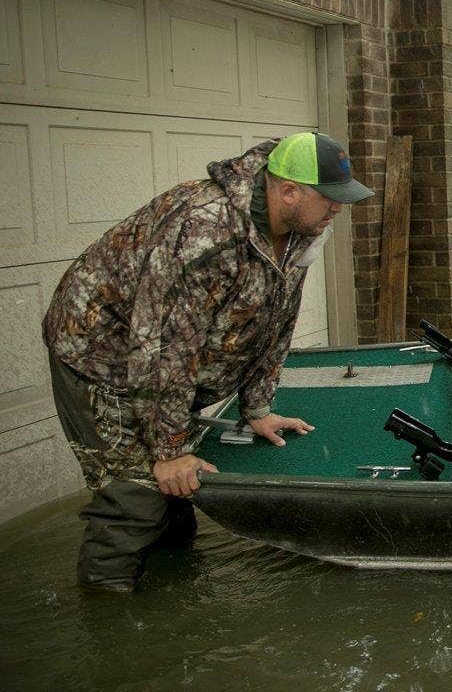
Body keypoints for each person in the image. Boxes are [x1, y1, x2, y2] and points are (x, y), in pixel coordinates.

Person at [43, 131, 374, 592]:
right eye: (330, 199)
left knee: (179, 494)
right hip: (105, 358)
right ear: (288, 191)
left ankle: (169, 598)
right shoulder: (203, 229)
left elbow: (277, 319)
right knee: (135, 500)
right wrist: (169, 452)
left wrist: (257, 408)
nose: (338, 208)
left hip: (165, 362)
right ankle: (108, 622)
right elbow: (160, 348)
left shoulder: (303, 229)